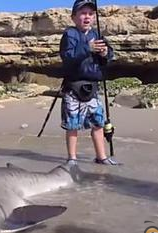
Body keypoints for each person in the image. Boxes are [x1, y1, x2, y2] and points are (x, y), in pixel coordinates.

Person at [59, 0, 118, 166]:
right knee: (72, 125)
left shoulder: (97, 35)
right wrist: (87, 48)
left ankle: (102, 157)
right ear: (74, 17)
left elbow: (108, 57)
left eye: (91, 14)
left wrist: (106, 53)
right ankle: (72, 158)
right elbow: (68, 57)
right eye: (83, 13)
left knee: (98, 123)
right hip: (73, 86)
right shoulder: (69, 35)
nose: (87, 17)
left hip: (92, 87)